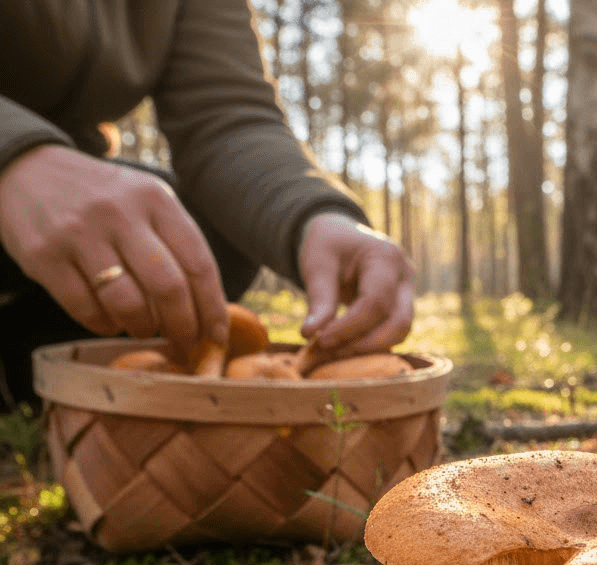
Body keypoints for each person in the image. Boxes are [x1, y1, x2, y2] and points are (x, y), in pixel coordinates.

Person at [0, 1, 415, 408]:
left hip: (66, 191)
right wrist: (16, 157)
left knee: (210, 239)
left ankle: (30, 388)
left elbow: (225, 112)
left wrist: (315, 214)